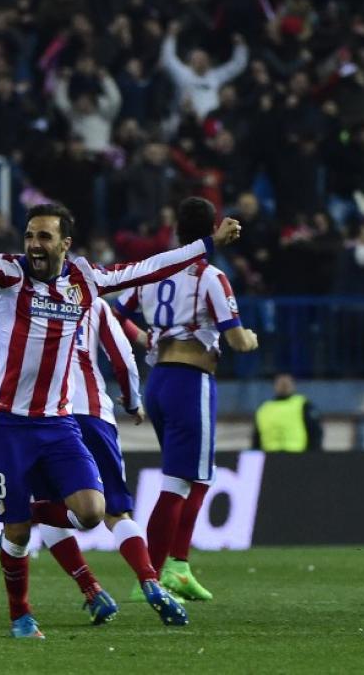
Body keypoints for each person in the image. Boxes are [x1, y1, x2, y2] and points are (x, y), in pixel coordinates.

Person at [0, 176, 241, 638]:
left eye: (44, 236)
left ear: (65, 243)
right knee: (19, 534)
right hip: (6, 422)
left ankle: (23, 512)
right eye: (29, 236)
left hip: (59, 421)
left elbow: (150, 267)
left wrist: (206, 244)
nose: (34, 245)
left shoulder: (85, 280)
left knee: (91, 511)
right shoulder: (10, 276)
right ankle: (21, 614)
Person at [0, 299, 187, 627]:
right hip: (94, 414)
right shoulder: (94, 303)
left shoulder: (12, 301)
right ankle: (149, 581)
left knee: (49, 510)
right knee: (116, 512)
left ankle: (91, 589)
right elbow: (122, 357)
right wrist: (131, 402)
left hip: (42, 415)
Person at [116, 196, 258, 603]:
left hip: (159, 380)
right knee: (179, 481)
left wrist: (145, 338)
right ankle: (152, 577)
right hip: (191, 380)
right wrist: (250, 339)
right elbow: (235, 339)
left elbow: (116, 312)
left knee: (197, 475)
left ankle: (178, 565)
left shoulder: (153, 274)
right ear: (211, 229)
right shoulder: (210, 276)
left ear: (177, 229)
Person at [161, 22, 248, 120]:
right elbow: (168, 59)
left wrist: (240, 46)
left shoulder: (215, 76)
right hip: (185, 121)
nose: (200, 61)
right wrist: (171, 36)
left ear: (208, 61)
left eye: (203, 59)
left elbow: (237, 66)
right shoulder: (183, 74)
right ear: (191, 62)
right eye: (197, 59)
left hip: (209, 124)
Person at [252, 373, 323, 452]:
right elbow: (256, 439)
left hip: (297, 457)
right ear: (274, 386)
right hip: (270, 457)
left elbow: (315, 433)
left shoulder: (303, 405)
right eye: (281, 383)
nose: (284, 386)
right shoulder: (264, 409)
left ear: (294, 386)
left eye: (287, 383)